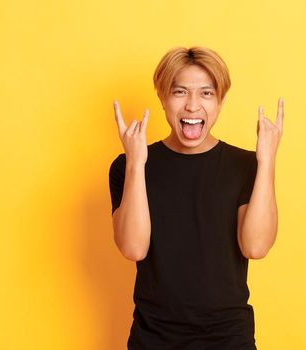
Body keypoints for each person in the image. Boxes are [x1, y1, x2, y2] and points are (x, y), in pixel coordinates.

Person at [109, 46, 283, 349]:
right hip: (154, 338)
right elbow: (133, 247)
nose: (192, 106)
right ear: (163, 98)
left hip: (229, 338)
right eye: (179, 92)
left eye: (206, 93)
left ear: (220, 102)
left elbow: (256, 246)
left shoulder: (245, 166)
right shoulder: (128, 166)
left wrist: (266, 161)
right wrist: (137, 164)